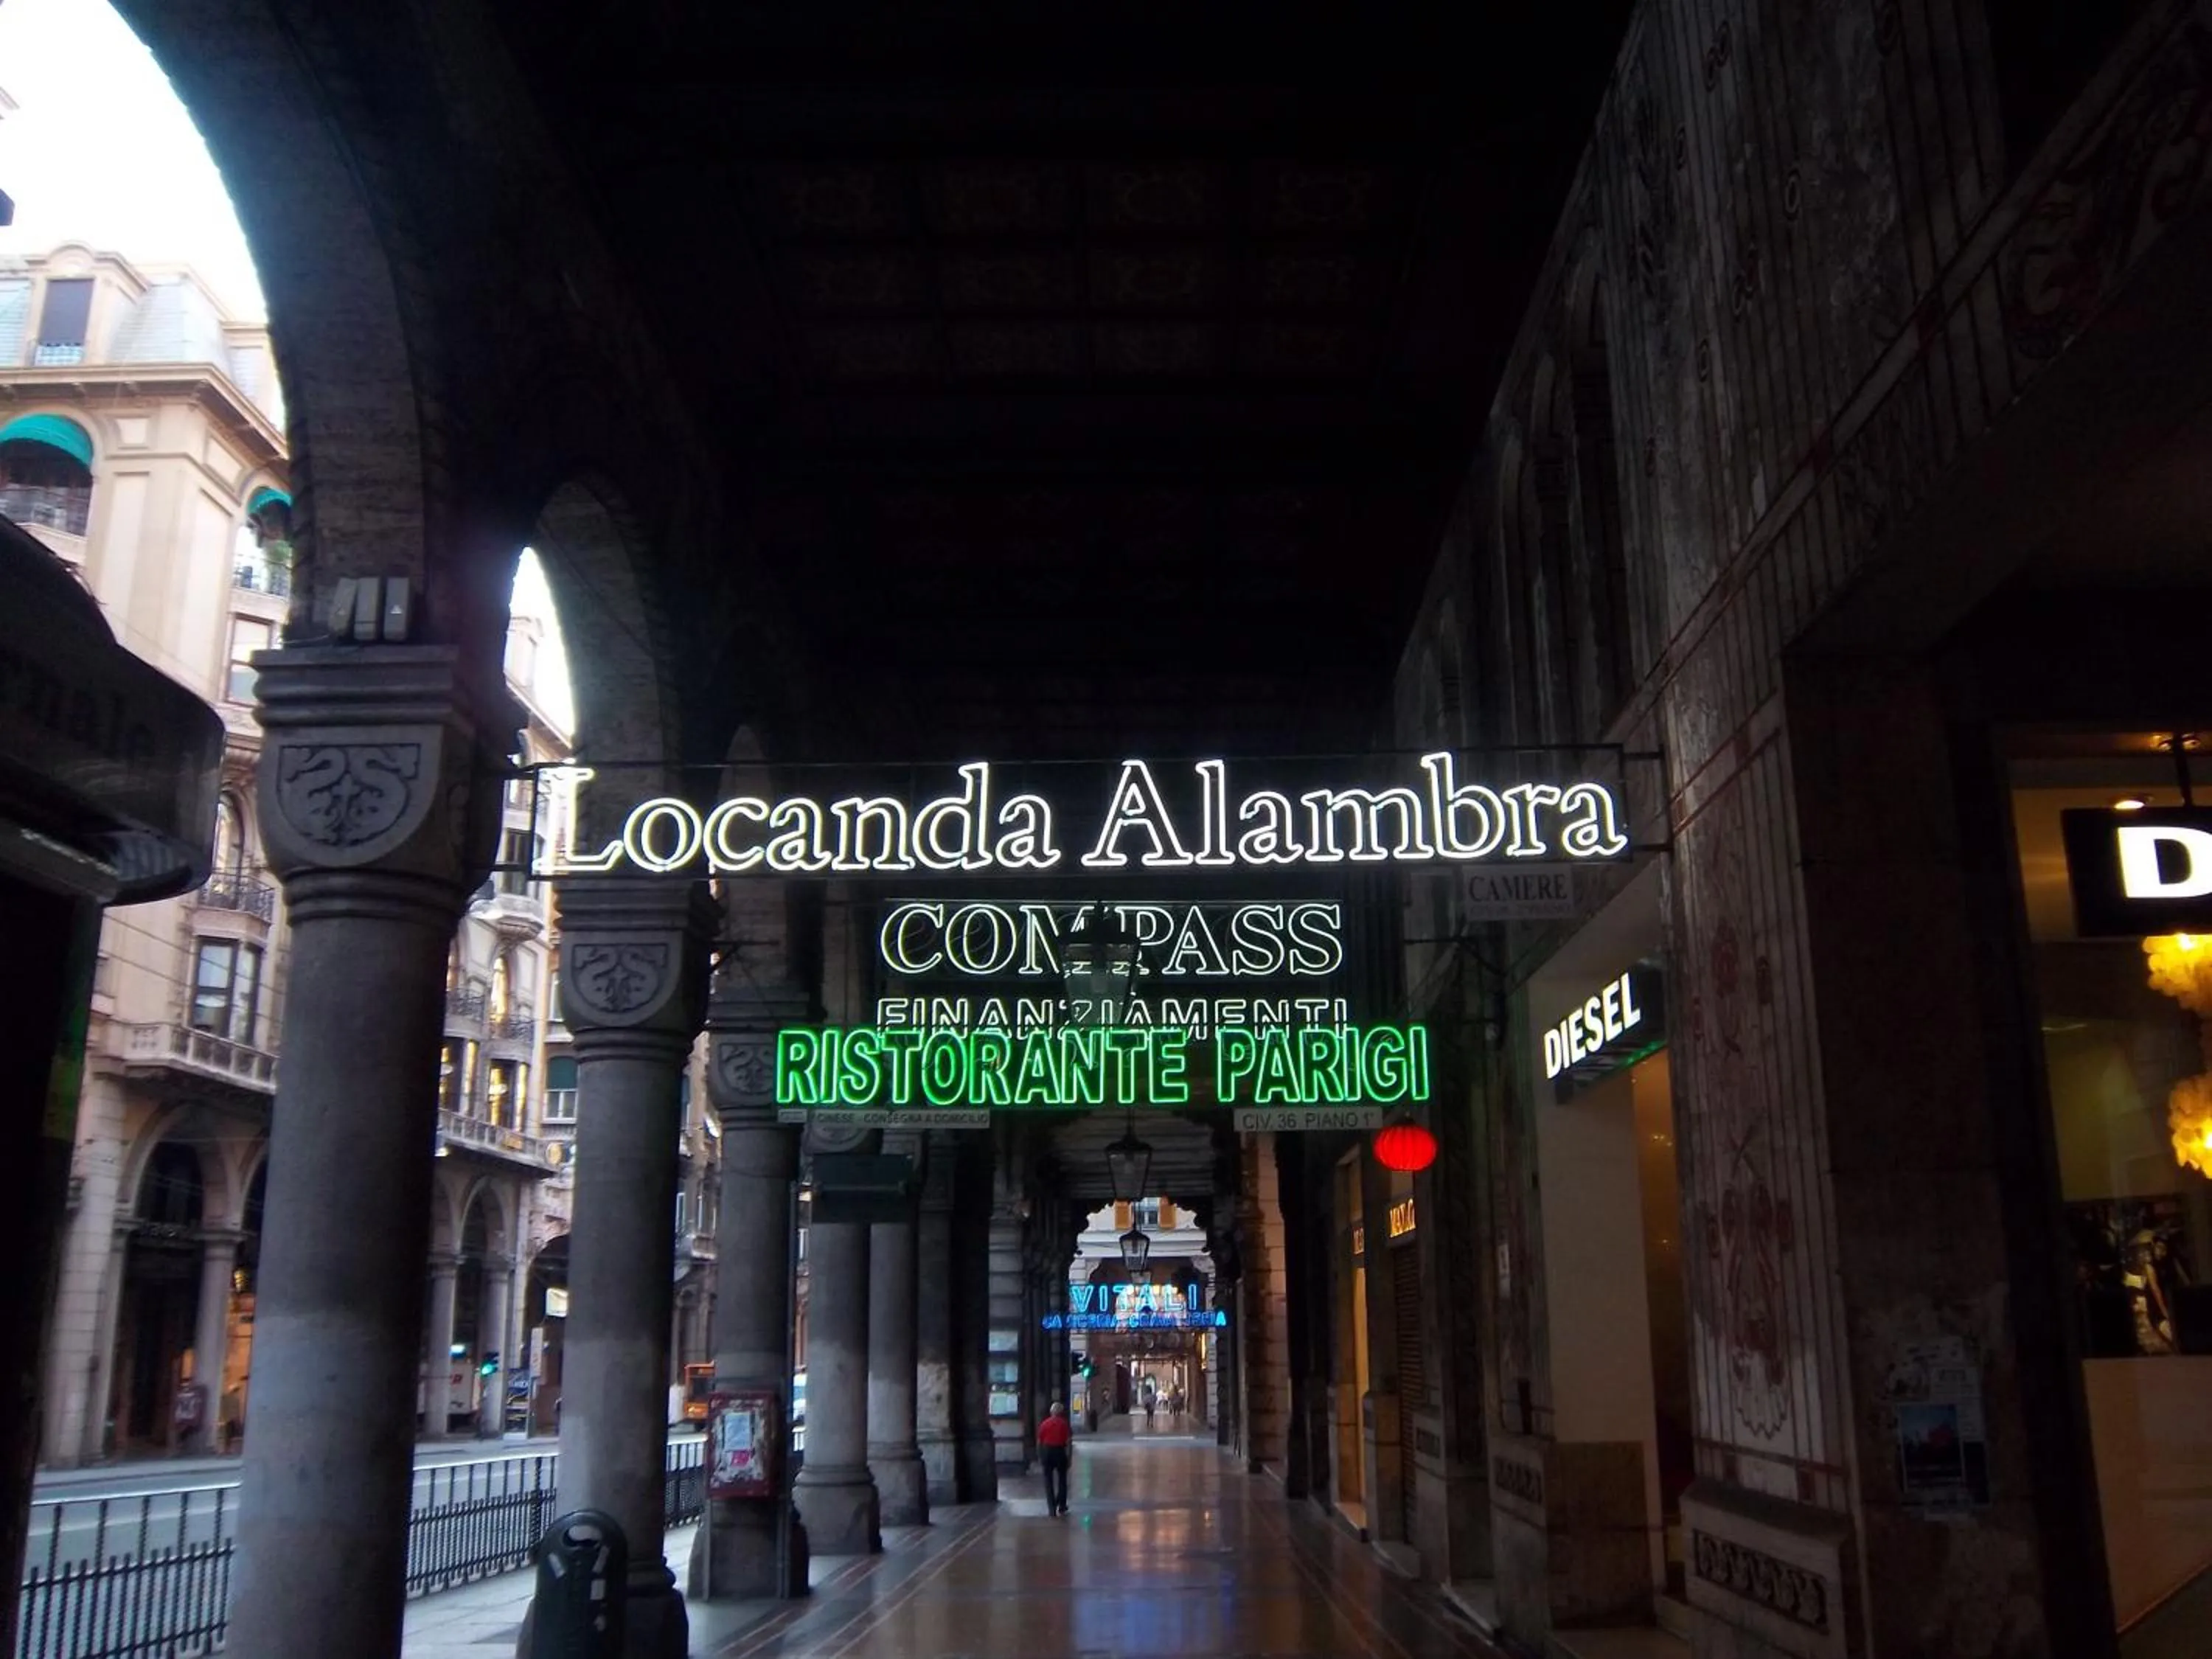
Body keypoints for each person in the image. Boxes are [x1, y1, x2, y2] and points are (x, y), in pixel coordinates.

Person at [1038, 1400, 1073, 1516]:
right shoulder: (1064, 1424)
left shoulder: (1044, 1424)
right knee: (1062, 1480)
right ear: (1061, 1412)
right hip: (1060, 1452)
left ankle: (1051, 1507)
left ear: (1051, 1412)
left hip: (1047, 1452)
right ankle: (1062, 1505)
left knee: (1048, 1481)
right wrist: (1069, 1457)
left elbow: (1039, 1441)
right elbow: (1068, 1442)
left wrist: (1040, 1456)